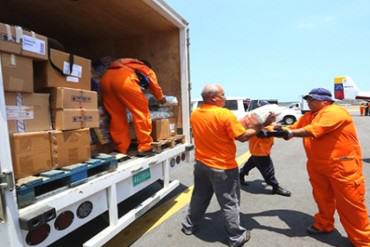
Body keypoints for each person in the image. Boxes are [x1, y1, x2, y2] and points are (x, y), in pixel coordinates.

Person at [181, 84, 274, 247]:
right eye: (223, 95)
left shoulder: (196, 114)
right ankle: (236, 236)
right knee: (230, 202)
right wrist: (262, 124)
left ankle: (189, 226)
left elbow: (218, 130)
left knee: (199, 196)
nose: (225, 98)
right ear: (213, 98)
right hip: (222, 166)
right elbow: (243, 137)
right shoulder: (224, 114)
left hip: (201, 164)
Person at [281, 88, 370, 247]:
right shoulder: (309, 116)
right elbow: (293, 127)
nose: (308, 101)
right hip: (318, 166)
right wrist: (270, 129)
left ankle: (364, 241)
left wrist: (290, 133)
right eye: (307, 99)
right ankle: (324, 224)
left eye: (312, 99)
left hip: (342, 166)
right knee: (322, 198)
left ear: (325, 101)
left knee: (351, 205)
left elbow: (314, 130)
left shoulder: (334, 112)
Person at [100, 58, 166, 155]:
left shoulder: (125, 64)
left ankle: (121, 147)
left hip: (105, 80)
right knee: (141, 112)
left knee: (116, 116)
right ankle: (145, 146)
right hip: (124, 81)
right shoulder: (144, 67)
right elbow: (153, 83)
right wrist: (160, 97)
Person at [239, 116, 291, 196]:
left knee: (249, 165)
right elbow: (264, 134)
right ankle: (275, 187)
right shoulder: (256, 125)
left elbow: (270, 126)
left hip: (256, 151)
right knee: (269, 171)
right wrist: (283, 133)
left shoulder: (263, 123)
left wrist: (276, 126)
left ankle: (241, 174)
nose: (274, 117)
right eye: (272, 115)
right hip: (261, 153)